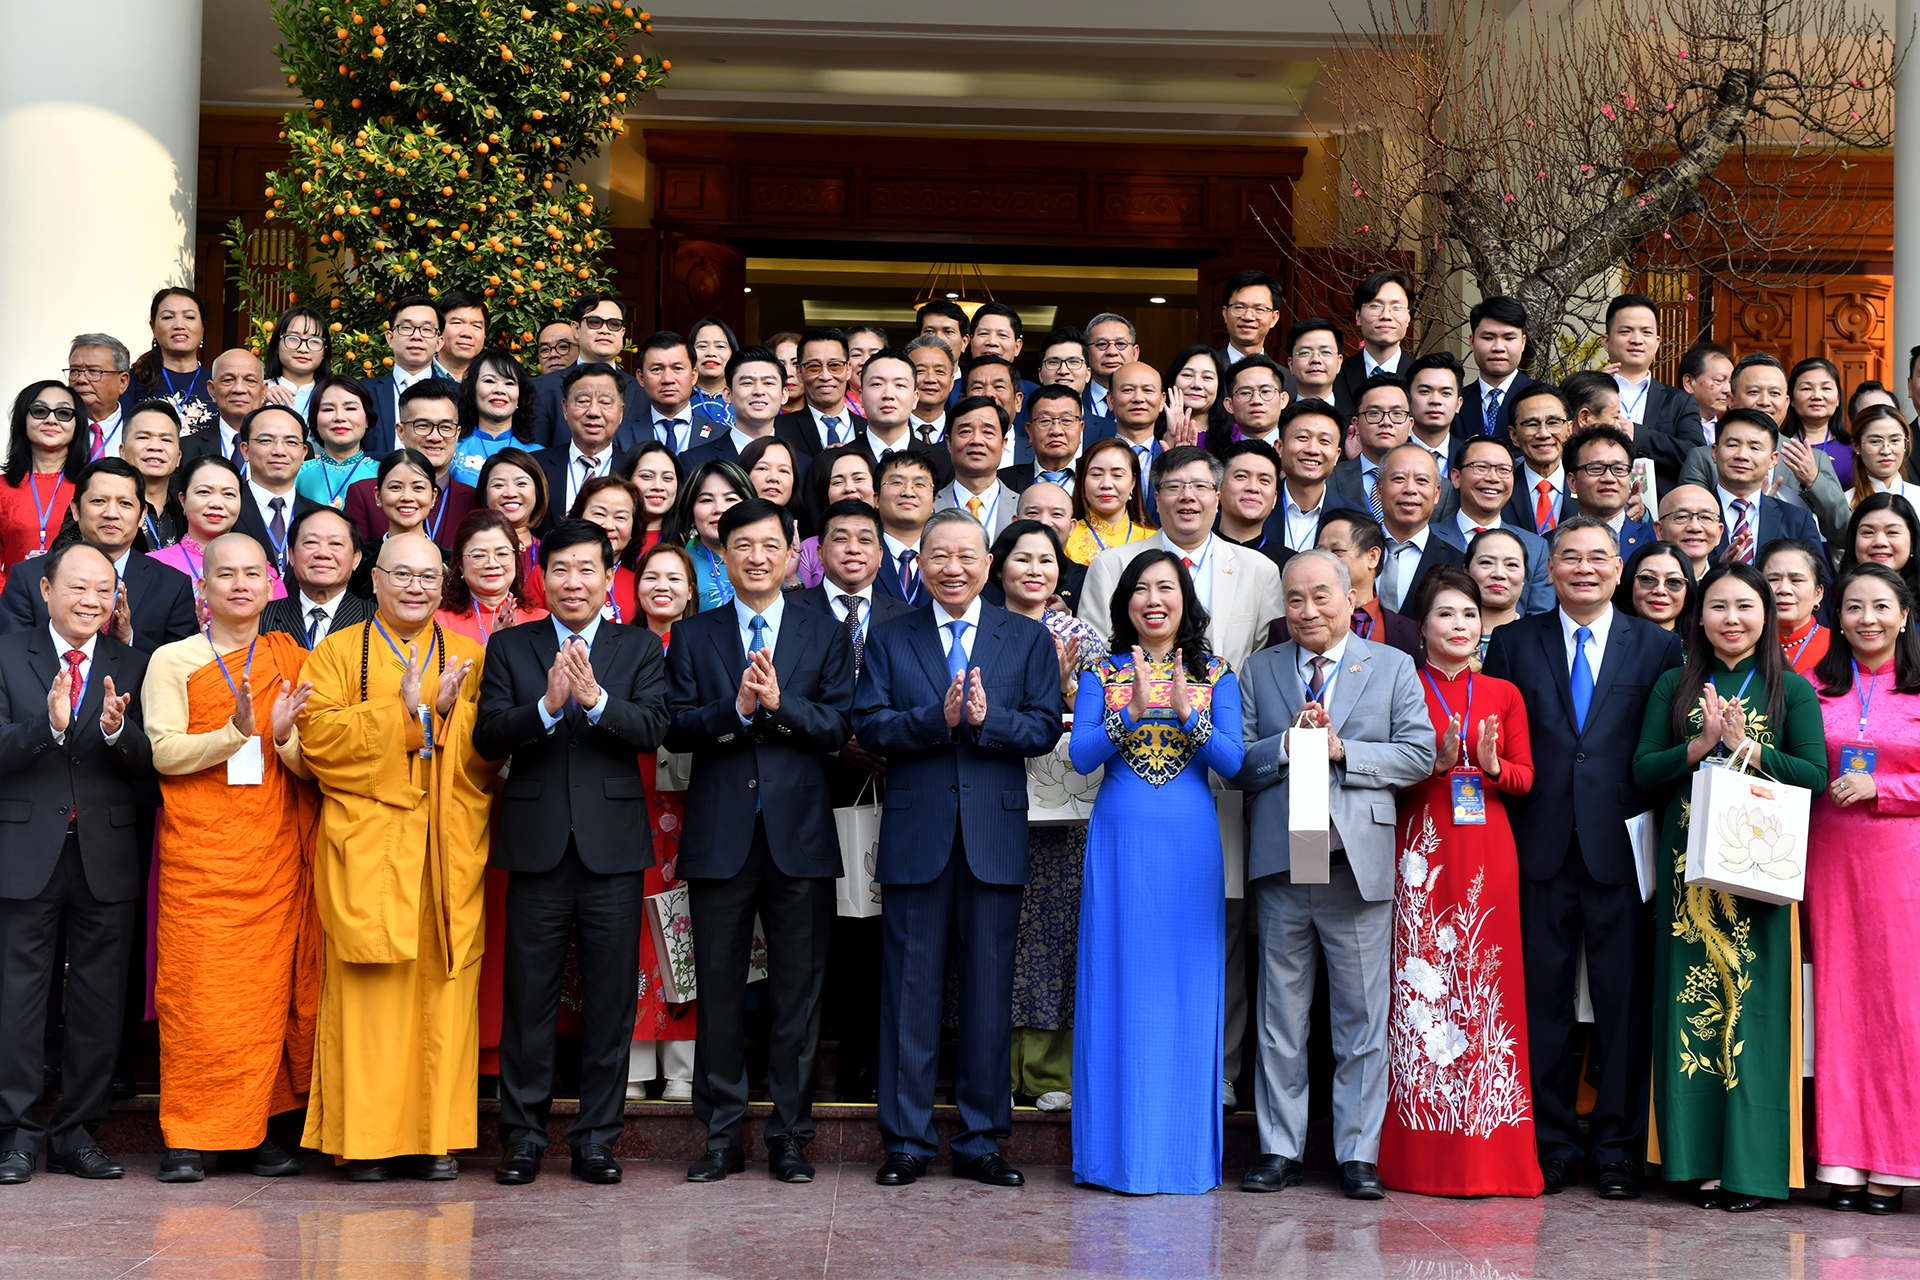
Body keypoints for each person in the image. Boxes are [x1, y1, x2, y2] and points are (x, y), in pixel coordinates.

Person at [852, 508, 1064, 1189]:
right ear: (921, 564)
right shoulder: (890, 638)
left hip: (994, 838)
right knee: (908, 993)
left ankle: (980, 1139)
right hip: (917, 836)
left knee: (987, 993)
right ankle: (906, 1141)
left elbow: (1037, 728)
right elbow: (870, 726)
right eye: (939, 556)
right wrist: (934, 719)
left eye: (967, 556)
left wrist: (984, 719)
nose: (953, 567)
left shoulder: (1025, 638)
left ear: (989, 565)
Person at [1481, 515, 1685, 1198]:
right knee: (1542, 1006)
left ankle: (1620, 1148)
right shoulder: (1512, 642)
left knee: (1624, 1005)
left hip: (1621, 850)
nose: (1585, 569)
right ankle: (1553, 1141)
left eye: (1600, 558)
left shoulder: (1656, 646)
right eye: (1570, 557)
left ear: (1619, 570)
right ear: (1549, 569)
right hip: (1537, 845)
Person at [665, 498, 856, 1185]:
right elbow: (677, 728)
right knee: (718, 992)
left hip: (799, 838)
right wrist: (736, 711)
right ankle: (720, 1135)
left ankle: (790, 1135)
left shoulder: (825, 632)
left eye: (768, 545)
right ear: (723, 554)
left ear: (791, 550)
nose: (754, 557)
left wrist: (779, 708)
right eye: (740, 545)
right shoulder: (695, 635)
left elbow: (839, 729)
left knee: (797, 997)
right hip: (721, 838)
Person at [1234, 548, 1435, 1198]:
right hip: (1285, 857)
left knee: (1360, 1016)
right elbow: (1235, 760)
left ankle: (1357, 1154)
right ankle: (1278, 1148)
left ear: (1351, 598)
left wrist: (1345, 751)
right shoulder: (1260, 670)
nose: (1308, 610)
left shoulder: (1391, 666)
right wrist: (1289, 744)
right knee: (1280, 1017)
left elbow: (1419, 754)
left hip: (1355, 861)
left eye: (1321, 596)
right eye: (1295, 599)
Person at [475, 520, 669, 1188]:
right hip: (537, 847)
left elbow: (653, 729)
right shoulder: (511, 647)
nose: (573, 582)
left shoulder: (637, 647)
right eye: (559, 569)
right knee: (528, 999)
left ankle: (596, 1139)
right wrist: (549, 707)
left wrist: (596, 698)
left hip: (613, 849)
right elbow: (489, 736)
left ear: (607, 573)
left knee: (611, 1003)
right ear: (542, 576)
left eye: (587, 568)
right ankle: (523, 1139)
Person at [296, 533, 490, 1180]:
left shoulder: (467, 655)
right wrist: (407, 716)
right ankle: (366, 1142)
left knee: (443, 998)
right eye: (401, 574)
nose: (415, 586)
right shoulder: (336, 653)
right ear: (372, 580)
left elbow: (485, 758)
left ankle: (438, 1138)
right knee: (369, 1000)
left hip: (445, 849)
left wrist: (448, 719)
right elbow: (317, 740)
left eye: (428, 576)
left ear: (445, 585)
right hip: (370, 848)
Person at [1633, 562, 1827, 1209]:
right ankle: (1692, 1161)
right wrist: (1700, 746)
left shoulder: (1789, 689)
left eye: (1745, 606)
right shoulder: (1674, 684)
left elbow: (1815, 775)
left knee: (1755, 1015)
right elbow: (1642, 771)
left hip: (1761, 879)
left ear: (1766, 616)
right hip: (1691, 879)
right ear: (1699, 616)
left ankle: (1750, 1169)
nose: (1732, 619)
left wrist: (1748, 750)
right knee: (1691, 1012)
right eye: (1718, 607)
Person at [144, 534, 318, 1183]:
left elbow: (305, 764)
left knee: (267, 993)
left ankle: (262, 1129)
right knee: (199, 992)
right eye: (227, 575)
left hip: (271, 851)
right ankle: (190, 1134)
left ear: (273, 584)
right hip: (202, 854)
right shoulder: (173, 660)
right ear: (204, 588)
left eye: (252, 573)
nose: (240, 584)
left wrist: (278, 736)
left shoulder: (289, 658)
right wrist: (234, 734)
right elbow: (163, 751)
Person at [1069, 550, 1243, 1193]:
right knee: (1119, 982)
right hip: (1122, 839)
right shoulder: (1100, 670)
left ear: (1185, 600)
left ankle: (1181, 1156)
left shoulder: (1217, 672)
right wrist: (1135, 713)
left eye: (1165, 588)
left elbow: (1234, 761)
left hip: (1189, 845)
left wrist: (1186, 713)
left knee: (1185, 988)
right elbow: (1083, 755)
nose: (1152, 600)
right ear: (1125, 605)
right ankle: (1114, 1156)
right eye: (1139, 589)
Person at [1375, 567, 1541, 1196]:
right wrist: (1436, 765)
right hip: (1421, 847)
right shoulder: (1402, 685)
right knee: (1419, 987)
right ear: (1423, 626)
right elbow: (1382, 774)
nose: (1460, 626)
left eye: (1469, 616)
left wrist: (1494, 766)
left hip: (1488, 849)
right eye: (1446, 615)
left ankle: (1493, 1154)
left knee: (1485, 986)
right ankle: (1419, 1156)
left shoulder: (1504, 693)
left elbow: (1527, 779)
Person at [0, 541, 149, 1187]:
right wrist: (48, 726)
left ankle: (77, 1133)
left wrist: (118, 734)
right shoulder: (7, 655)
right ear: (44, 590)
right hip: (24, 851)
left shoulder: (136, 663)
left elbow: (150, 772)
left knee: (97, 1000)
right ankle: (14, 1134)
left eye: (102, 590)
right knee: (17, 1000)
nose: (90, 600)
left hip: (106, 854)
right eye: (77, 587)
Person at [788, 499, 914, 1103]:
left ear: (882, 549)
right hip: (812, 787)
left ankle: (865, 1067)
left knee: (874, 933)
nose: (854, 550)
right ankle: (803, 1069)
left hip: (887, 789)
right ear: (820, 551)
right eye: (840, 539)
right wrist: (843, 746)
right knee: (811, 934)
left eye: (867, 539)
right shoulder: (794, 609)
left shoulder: (906, 614)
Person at [1808, 563, 1920, 1214]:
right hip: (1829, 862)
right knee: (1839, 1006)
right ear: (1838, 617)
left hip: (1902, 869)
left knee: (1899, 1013)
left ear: (1905, 615)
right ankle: (1844, 1158)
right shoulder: (1814, 690)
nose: (1867, 618)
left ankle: (1897, 1163)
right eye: (1853, 607)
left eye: (1881, 606)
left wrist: (1890, 788)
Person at [993, 520, 1103, 1114]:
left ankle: (1048, 1070)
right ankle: (995, 1065)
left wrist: (1064, 689)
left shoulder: (1081, 636)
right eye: (1022, 559)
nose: (1035, 570)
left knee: (1057, 934)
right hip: (994, 792)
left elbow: (1103, 715)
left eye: (1047, 560)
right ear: (998, 566)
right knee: (998, 930)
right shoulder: (982, 627)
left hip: (1064, 806)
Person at [630, 541, 701, 1102]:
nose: (662, 586)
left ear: (691, 589)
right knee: (631, 934)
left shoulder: (705, 645)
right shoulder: (619, 645)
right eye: (651, 575)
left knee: (685, 930)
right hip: (629, 804)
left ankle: (682, 1067)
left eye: (675, 577)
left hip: (692, 806)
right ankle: (631, 1067)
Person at [0, 459, 198, 652]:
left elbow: (180, 667)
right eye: (98, 501)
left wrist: (128, 639)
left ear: (142, 515)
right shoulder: (28, 576)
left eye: (125, 503)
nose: (111, 513)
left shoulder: (172, 586)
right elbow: (11, 657)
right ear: (76, 509)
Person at [1680, 354, 1849, 543]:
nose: (1765, 402)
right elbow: (1687, 528)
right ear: (1730, 400)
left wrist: (1813, 481)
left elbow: (1843, 532)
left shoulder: (1812, 459)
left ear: (1786, 403)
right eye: (1753, 392)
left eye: (1774, 394)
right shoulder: (1703, 458)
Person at [343, 381, 478, 551]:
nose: (435, 437)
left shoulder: (473, 498)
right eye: (423, 426)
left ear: (457, 433)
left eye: (445, 427)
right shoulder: (365, 494)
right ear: (400, 432)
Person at [1600, 293, 1706, 496]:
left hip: (1657, 511)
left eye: (1646, 332)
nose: (1637, 340)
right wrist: (1591, 389)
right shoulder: (1583, 393)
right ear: (1606, 341)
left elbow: (1695, 454)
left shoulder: (1679, 401)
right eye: (1626, 331)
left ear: (1657, 342)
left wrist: (1638, 435)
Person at [1278, 513, 1422, 657]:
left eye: (1337, 551)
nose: (1325, 559)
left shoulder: (1410, 634)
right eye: (1320, 552)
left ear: (1372, 557)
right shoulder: (1288, 628)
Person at [527, 294, 653, 452]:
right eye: (595, 322)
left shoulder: (644, 393)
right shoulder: (542, 389)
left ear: (622, 333)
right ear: (576, 329)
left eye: (614, 324)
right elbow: (535, 460)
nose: (605, 330)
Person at [1706, 409, 1827, 564]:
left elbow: (1819, 580)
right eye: (1732, 445)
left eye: (1754, 448)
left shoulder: (1796, 520)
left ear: (1773, 459)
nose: (1742, 455)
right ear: (1715, 452)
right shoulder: (1689, 514)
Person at [1450, 435, 1555, 614]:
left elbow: (1540, 620)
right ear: (1456, 477)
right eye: (1481, 467)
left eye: (1504, 470)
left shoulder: (1535, 548)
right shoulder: (1430, 537)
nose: (1493, 478)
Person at [1, 382, 87, 591]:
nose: (51, 420)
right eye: (40, 411)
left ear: (77, 426)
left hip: (79, 605)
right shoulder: (2, 488)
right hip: (11, 609)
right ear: (23, 421)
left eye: (64, 413)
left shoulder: (90, 487)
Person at [534, 363, 634, 528]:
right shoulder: (536, 467)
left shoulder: (633, 472)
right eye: (583, 401)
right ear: (565, 409)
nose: (593, 412)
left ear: (621, 412)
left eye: (605, 402)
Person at [1371, 444, 1467, 615]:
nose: (1410, 489)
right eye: (1399, 478)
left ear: (1437, 494)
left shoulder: (1458, 565)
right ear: (1379, 489)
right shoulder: (1351, 552)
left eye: (1422, 480)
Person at [260, 507, 374, 647]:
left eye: (336, 544)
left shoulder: (377, 620)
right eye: (311, 542)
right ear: (291, 555)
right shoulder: (260, 618)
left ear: (356, 558)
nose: (323, 553)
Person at [234, 405, 322, 579]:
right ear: (245, 450)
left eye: (291, 442)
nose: (279, 451)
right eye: (266, 440)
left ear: (304, 453)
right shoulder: (227, 508)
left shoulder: (319, 516)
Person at [347, 449, 447, 599]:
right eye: (396, 487)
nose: (407, 497)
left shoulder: (449, 561)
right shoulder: (359, 561)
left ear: (433, 497)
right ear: (378, 496)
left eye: (418, 488)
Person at [436, 509, 546, 644]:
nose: (492, 564)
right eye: (479, 556)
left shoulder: (543, 621)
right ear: (461, 565)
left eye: (502, 554)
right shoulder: (438, 623)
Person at [359, 296, 451, 458]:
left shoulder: (457, 393)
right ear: (390, 338)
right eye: (406, 327)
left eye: (427, 329)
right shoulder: (362, 392)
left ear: (439, 343)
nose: (416, 336)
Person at [678, 346, 787, 473]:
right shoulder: (694, 462)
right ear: (727, 395)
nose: (759, 391)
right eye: (747, 383)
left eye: (768, 383)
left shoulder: (801, 463)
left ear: (784, 395)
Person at [125, 288, 217, 436]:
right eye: (168, 317)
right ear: (153, 327)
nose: (179, 325)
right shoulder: (132, 381)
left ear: (202, 329)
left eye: (189, 317)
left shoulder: (217, 384)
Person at [669, 459, 752, 613]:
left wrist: (790, 579)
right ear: (691, 512)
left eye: (731, 499)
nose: (719, 509)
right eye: (706, 500)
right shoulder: (678, 565)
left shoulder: (767, 559)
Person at [1326, 373, 1413, 520]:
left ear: (1410, 425)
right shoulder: (1328, 479)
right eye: (1374, 413)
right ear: (1356, 424)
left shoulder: (1439, 488)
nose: (1386, 422)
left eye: (1397, 413)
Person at [449, 349, 541, 487]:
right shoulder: (450, 451)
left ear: (520, 395)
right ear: (472, 391)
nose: (499, 390)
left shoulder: (538, 455)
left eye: (509, 383)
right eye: (489, 381)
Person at [771, 328, 865, 461]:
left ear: (848, 369)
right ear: (799, 372)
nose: (825, 376)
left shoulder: (870, 429)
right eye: (814, 367)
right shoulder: (777, 428)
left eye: (835, 366)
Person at [1331, 270, 1414, 419]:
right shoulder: (1334, 376)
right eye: (1376, 306)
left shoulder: (1420, 378)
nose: (1386, 316)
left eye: (1396, 307)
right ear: (1358, 316)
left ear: (1408, 317)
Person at [1458, 296, 1542, 441]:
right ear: (1472, 342)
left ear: (1523, 343)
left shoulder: (1542, 398)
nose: (1498, 348)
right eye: (1488, 338)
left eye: (1509, 338)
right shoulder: (1455, 401)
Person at [475, 447, 551, 605]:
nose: (510, 493)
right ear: (485, 495)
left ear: (537, 492)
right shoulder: (471, 554)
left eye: (521, 484)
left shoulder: (551, 555)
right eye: (498, 485)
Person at [936, 397, 1021, 539]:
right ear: (949, 442)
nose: (976, 440)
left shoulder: (1022, 508)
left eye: (987, 432)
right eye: (965, 431)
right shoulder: (928, 507)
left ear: (1003, 444)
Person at [1566, 425, 1657, 557]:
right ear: (1572, 482)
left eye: (1619, 469)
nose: (1609, 478)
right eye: (1596, 468)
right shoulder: (1549, 545)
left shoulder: (1655, 541)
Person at [793, 445, 874, 588]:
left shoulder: (893, 545)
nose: (849, 488)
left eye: (859, 478)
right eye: (837, 482)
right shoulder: (809, 548)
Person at [1064, 437, 1153, 566]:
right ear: (1082, 481)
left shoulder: (1153, 540)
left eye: (1117, 475)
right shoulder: (1066, 539)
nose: (1106, 484)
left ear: (1133, 482)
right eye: (1096, 474)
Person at [1498, 386, 1574, 536]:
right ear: (1513, 435)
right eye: (1532, 424)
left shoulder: (1587, 485)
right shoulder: (1499, 488)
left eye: (1553, 422)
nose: (1543, 434)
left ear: (1569, 429)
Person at [296, 376, 381, 510]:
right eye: (328, 409)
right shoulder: (296, 474)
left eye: (350, 408)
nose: (339, 417)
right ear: (315, 422)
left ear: (367, 420)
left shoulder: (384, 475)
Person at [570, 476, 644, 623]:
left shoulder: (641, 585)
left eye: (620, 517)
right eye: (599, 514)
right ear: (579, 517)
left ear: (633, 528)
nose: (609, 525)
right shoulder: (549, 575)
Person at [178, 349, 266, 471]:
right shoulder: (184, 449)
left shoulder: (279, 449)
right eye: (228, 380)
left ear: (263, 392)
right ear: (212, 390)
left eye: (250, 380)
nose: (239, 389)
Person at [872, 451, 939, 608]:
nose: (908, 492)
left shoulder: (948, 557)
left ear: (933, 503)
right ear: (877, 499)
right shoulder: (860, 554)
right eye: (896, 483)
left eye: (920, 485)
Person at [1214, 439, 1289, 570]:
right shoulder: (1195, 555)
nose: (1253, 487)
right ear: (1219, 489)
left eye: (1264, 480)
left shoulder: (1290, 565)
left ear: (1275, 499)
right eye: (1241, 476)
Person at [121, 399, 186, 549]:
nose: (155, 447)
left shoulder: (188, 515)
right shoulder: (101, 508)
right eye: (143, 437)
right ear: (122, 451)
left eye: (166, 439)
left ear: (178, 457)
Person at [1837, 491, 1920, 602]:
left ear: (1913, 541)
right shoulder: (1826, 599)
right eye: (1868, 532)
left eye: (1892, 532)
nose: (1880, 542)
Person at [1763, 539, 1830, 674]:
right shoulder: (1746, 645)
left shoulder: (1837, 646)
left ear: (1818, 594)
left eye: (1796, 580)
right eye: (1773, 580)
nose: (1784, 589)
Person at [1783, 356, 1851, 489]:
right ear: (1791, 399)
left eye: (1826, 388)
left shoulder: (1854, 449)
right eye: (1806, 389)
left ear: (1838, 398)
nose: (1817, 396)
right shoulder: (1779, 447)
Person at [1466, 528, 1531, 663]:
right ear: (1466, 571)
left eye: (1511, 565)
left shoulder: (1537, 640)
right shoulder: (1441, 635)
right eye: (1486, 562)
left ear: (1524, 578)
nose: (1499, 573)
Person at [66, 335, 133, 460]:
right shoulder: (57, 428)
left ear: (122, 382)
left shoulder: (138, 431)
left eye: (93, 371)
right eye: (75, 371)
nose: (81, 379)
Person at [1616, 540, 1699, 639]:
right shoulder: (1604, 645)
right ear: (1629, 585)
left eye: (1674, 582)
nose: (1660, 591)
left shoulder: (1703, 649)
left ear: (1688, 594)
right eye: (1647, 579)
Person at [262, 306, 332, 418]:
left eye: (314, 340)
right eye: (293, 338)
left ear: (324, 351)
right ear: (276, 346)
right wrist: (260, 401)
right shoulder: (258, 391)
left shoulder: (333, 394)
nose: (303, 349)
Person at [1844, 403, 1918, 505]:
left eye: (1895, 440)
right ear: (1856, 445)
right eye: (1875, 442)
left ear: (1906, 443)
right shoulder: (1844, 505)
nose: (1886, 451)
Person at [624, 439, 682, 557]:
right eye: (647, 476)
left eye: (667, 478)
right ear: (626, 480)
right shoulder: (610, 535)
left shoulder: (689, 543)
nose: (658, 487)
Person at [1656, 483, 1726, 582]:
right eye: (1682, 517)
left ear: (1719, 533)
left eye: (1706, 517)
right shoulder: (1646, 588)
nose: (1695, 527)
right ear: (1660, 530)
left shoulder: (1730, 589)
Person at [1219, 269, 1285, 365]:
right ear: (1225, 314)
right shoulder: (1202, 373)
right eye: (1240, 307)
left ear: (1274, 318)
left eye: (1259, 309)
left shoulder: (1287, 379)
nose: (1248, 317)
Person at [688, 317, 738, 433]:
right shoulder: (678, 399)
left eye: (720, 346)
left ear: (733, 354)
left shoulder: (745, 398)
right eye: (702, 346)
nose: (711, 353)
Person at [906, 333, 956, 444]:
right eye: (920, 371)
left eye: (939, 371)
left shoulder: (961, 432)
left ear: (951, 382)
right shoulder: (890, 429)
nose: (930, 379)